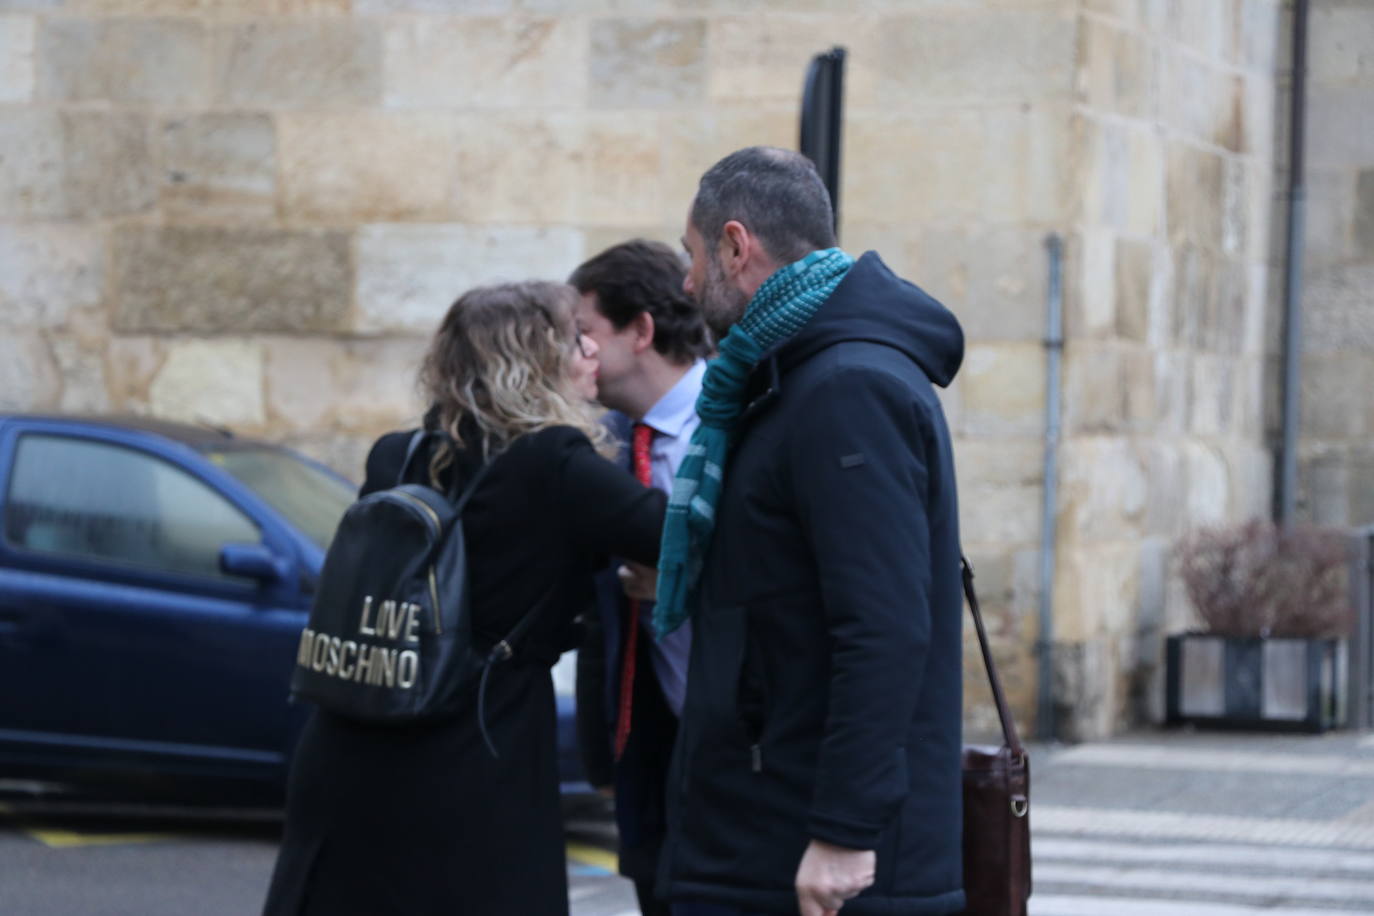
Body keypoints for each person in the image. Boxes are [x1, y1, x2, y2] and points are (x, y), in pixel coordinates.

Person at [262, 281, 666, 916]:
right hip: (475, 751)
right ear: (539, 360)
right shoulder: (554, 462)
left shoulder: (398, 455)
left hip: (353, 744)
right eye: (576, 339)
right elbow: (679, 534)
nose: (593, 351)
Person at [654, 147, 967, 916]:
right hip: (765, 830)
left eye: (694, 257)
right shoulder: (786, 377)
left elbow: (886, 626)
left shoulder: (845, 387)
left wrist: (844, 833)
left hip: (816, 859)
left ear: (736, 245)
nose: (688, 284)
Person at [566, 240, 712, 916]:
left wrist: (687, 580)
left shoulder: (737, 426)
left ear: (642, 331)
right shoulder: (607, 442)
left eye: (585, 334)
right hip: (646, 749)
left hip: (733, 749)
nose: (576, 354)